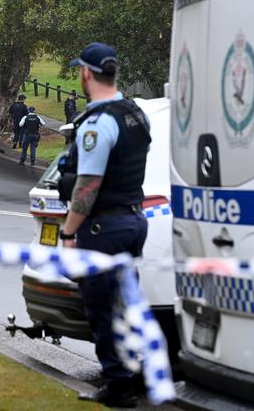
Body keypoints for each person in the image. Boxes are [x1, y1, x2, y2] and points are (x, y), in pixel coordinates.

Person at [57, 43, 151, 408]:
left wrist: (68, 232)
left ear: (86, 73)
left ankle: (118, 387)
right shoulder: (135, 114)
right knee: (125, 304)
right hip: (132, 218)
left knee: (100, 307)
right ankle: (130, 376)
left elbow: (88, 185)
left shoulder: (97, 123)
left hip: (103, 229)